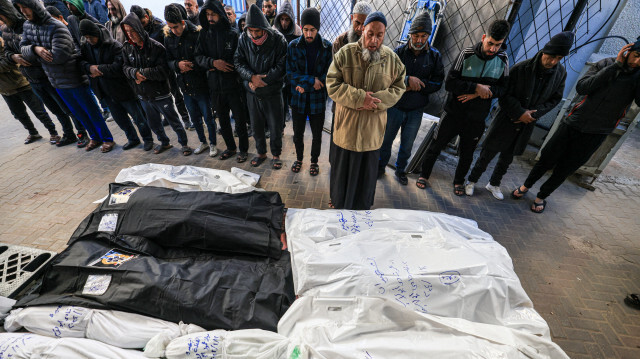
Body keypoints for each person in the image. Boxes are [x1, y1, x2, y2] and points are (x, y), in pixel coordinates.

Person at [512, 39, 640, 213]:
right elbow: (583, 87)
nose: (637, 61)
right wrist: (615, 67)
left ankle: (542, 196)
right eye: (636, 55)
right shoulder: (606, 64)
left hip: (597, 132)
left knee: (566, 168)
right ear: (628, 51)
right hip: (573, 122)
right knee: (546, 158)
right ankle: (526, 186)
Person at [466, 32, 570, 200]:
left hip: (527, 123)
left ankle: (494, 183)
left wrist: (533, 115)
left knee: (507, 158)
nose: (553, 62)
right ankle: (471, 181)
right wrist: (520, 112)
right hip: (506, 120)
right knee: (487, 154)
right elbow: (504, 94)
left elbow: (555, 99)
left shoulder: (560, 73)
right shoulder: (521, 68)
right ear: (544, 51)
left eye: (558, 58)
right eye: (551, 57)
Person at [416, 20, 510, 195]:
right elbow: (450, 83)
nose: (493, 49)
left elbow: (503, 89)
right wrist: (475, 87)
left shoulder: (503, 59)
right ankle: (424, 175)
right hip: (453, 113)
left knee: (467, 154)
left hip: (477, 118)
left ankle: (459, 182)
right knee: (436, 146)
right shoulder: (466, 54)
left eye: (498, 45)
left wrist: (478, 93)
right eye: (490, 43)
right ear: (484, 38)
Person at [326, 11, 406, 210]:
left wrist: (376, 101)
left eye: (379, 35)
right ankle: (338, 202)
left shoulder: (392, 59)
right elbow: (332, 85)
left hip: (372, 131)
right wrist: (360, 98)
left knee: (365, 174)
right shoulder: (345, 54)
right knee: (342, 171)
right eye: (370, 33)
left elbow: (399, 87)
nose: (374, 40)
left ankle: (361, 208)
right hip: (347, 128)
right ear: (362, 30)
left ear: (384, 34)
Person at [16, 0, 114, 152]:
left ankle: (107, 139)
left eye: (25, 7)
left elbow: (59, 56)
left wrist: (36, 56)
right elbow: (23, 49)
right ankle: (95, 137)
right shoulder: (28, 26)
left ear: (34, 7)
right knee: (78, 113)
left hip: (73, 77)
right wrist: (36, 49)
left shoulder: (56, 26)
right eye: (20, 8)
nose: (22, 11)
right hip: (55, 80)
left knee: (91, 111)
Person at [0, 0, 82, 147]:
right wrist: (14, 57)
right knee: (55, 110)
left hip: (46, 74)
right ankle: (69, 133)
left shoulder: (28, 25)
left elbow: (44, 50)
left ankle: (81, 132)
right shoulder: (6, 30)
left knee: (67, 107)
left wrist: (29, 52)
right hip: (31, 77)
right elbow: (7, 51)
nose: (1, 20)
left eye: (2, 16)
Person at [378, 12, 444, 185]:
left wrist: (420, 84)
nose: (420, 40)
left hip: (416, 110)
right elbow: (386, 77)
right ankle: (380, 168)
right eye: (416, 35)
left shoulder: (435, 56)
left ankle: (400, 171)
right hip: (395, 107)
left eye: (424, 36)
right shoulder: (398, 53)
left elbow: (438, 82)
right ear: (410, 34)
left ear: (429, 35)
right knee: (385, 141)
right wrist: (407, 80)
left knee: (407, 145)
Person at [120, 12, 193, 156]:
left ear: (139, 28)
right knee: (154, 123)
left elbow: (164, 70)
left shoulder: (156, 47)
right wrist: (134, 73)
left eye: (133, 31)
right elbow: (124, 67)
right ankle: (164, 142)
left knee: (174, 121)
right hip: (143, 94)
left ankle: (184, 144)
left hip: (160, 94)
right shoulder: (127, 47)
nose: (130, 35)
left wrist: (143, 73)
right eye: (127, 32)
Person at [78, 19, 154, 151]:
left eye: (91, 37)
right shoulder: (85, 46)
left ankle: (148, 139)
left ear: (97, 34)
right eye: (86, 37)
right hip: (105, 91)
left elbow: (119, 67)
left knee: (138, 117)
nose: (89, 40)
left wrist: (99, 70)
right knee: (121, 120)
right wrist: (89, 68)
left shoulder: (114, 45)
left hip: (122, 89)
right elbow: (80, 62)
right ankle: (132, 139)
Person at [196, 0, 250, 162]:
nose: (210, 18)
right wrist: (213, 63)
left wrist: (226, 66)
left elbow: (240, 59)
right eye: (207, 15)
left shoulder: (232, 34)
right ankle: (230, 148)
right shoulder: (204, 34)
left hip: (233, 86)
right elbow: (198, 57)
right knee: (223, 121)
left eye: (213, 14)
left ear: (220, 14)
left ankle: (244, 150)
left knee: (240, 121)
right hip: (215, 87)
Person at [234, 4, 287, 169]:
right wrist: (251, 77)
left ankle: (276, 155)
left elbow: (282, 65)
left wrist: (265, 80)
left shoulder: (278, 39)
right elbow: (238, 61)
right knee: (256, 126)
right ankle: (261, 153)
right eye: (252, 31)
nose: (255, 35)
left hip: (272, 91)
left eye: (258, 31)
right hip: (252, 91)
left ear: (264, 28)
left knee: (275, 126)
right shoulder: (243, 38)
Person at [164, 4, 218, 157]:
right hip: (185, 86)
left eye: (176, 27)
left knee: (208, 117)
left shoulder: (197, 33)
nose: (174, 30)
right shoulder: (168, 37)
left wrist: (193, 65)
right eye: (170, 27)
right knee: (195, 118)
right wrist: (177, 65)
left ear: (183, 22)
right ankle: (203, 142)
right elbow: (168, 60)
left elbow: (205, 58)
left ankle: (213, 142)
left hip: (201, 84)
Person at [130, 4, 193, 131]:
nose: (140, 26)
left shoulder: (160, 27)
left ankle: (185, 119)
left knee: (176, 93)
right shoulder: (138, 29)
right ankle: (167, 118)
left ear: (146, 17)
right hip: (151, 69)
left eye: (142, 23)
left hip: (165, 66)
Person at [286, 7, 332, 176]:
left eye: (312, 30)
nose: (309, 34)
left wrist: (304, 83)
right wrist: (311, 81)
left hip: (318, 101)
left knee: (317, 135)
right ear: (301, 27)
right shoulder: (293, 46)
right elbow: (290, 74)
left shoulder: (327, 47)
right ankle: (299, 159)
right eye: (305, 29)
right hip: (298, 99)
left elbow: (329, 75)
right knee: (297, 134)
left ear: (318, 28)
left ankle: (314, 161)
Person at [0, 36, 61, 145]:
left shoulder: (4, 47)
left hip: (21, 83)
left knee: (39, 110)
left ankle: (53, 132)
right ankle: (33, 133)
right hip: (5, 89)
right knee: (18, 114)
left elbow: (8, 63)